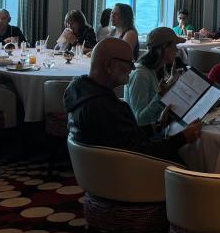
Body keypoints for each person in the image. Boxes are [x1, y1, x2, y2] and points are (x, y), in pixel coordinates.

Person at [64, 38, 202, 162]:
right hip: (129, 179)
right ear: (109, 65)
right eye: (129, 63)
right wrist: (183, 138)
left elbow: (123, 137)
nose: (133, 67)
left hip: (101, 175)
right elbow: (141, 153)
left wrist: (158, 125)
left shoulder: (82, 94)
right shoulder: (105, 108)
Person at [125, 27, 184, 127]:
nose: (176, 50)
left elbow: (155, 91)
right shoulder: (141, 75)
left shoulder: (156, 69)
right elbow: (139, 120)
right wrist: (160, 96)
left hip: (156, 130)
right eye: (174, 45)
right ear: (164, 47)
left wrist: (171, 79)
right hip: (144, 137)